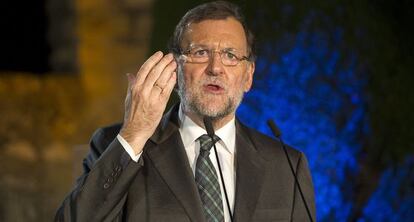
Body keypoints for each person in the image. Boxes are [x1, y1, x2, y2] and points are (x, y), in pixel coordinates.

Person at [55, 1, 316, 221]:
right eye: (201, 52)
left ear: (248, 76)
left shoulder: (287, 165)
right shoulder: (118, 146)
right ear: (175, 69)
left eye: (230, 55)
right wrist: (134, 134)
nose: (216, 68)